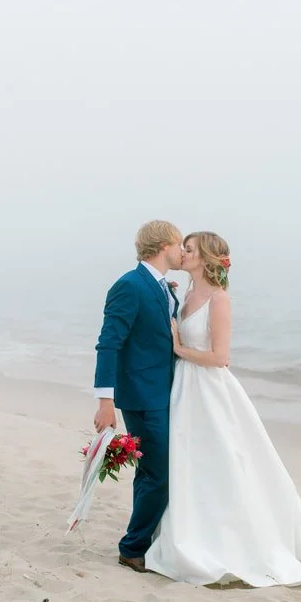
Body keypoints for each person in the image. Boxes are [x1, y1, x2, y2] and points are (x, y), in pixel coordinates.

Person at [144, 232, 301, 587]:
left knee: (221, 459)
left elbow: (220, 358)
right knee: (188, 461)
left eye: (189, 249)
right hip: (184, 388)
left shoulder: (218, 299)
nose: (183, 253)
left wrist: (179, 349)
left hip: (209, 389)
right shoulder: (186, 293)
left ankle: (233, 536)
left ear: (206, 257)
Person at [93, 220, 183, 573]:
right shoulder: (129, 286)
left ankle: (146, 542)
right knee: (156, 474)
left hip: (164, 391)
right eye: (179, 245)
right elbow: (108, 343)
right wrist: (105, 401)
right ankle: (132, 548)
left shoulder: (162, 286)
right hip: (142, 395)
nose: (182, 252)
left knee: (157, 471)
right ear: (164, 245)